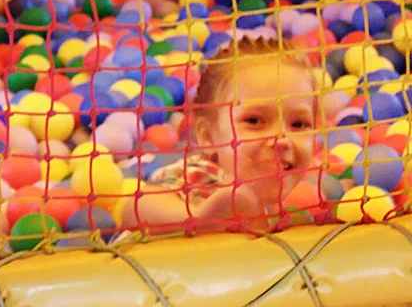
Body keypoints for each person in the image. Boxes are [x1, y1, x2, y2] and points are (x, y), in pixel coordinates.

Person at [122, 36, 318, 231]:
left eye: (299, 124)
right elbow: (135, 207)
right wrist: (198, 219)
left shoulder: (275, 203)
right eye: (254, 121)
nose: (282, 139)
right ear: (208, 137)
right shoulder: (204, 175)